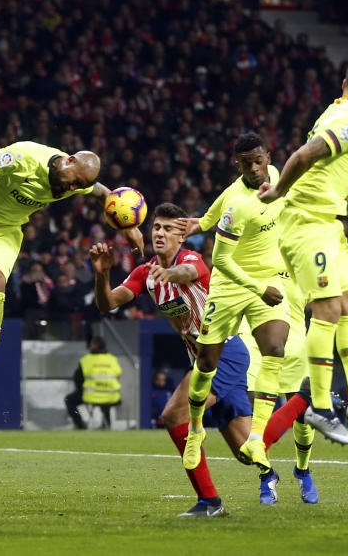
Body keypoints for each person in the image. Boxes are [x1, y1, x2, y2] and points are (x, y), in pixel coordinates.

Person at [0, 141, 143, 412]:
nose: (73, 189)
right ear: (69, 160)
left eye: (80, 186)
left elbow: (106, 194)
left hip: (7, 229)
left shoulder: (76, 180)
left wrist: (130, 227)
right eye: (74, 182)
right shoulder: (24, 157)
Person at [259, 58, 348, 438]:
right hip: (307, 223)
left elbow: (343, 176)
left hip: (329, 225)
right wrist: (278, 190)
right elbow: (305, 155)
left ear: (344, 84)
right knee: (327, 307)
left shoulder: (339, 113)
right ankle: (320, 407)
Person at [179, 133, 319, 503]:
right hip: (238, 286)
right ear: (237, 165)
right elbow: (221, 260)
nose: (256, 169)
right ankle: (202, 434)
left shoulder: (278, 176)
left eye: (260, 161)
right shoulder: (239, 206)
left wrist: (201, 222)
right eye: (247, 164)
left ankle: (296, 464)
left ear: (268, 158)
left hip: (277, 288)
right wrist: (258, 286)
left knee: (292, 380)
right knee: (210, 365)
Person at [91, 202, 254, 518]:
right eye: (156, 228)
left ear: (182, 235)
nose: (160, 234)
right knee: (249, 452)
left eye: (168, 228)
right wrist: (103, 275)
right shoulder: (144, 273)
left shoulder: (191, 259)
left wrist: (168, 273)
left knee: (174, 414)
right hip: (202, 359)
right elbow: (107, 303)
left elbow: (190, 273)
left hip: (225, 351)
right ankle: (301, 405)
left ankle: (210, 502)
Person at [64, 336, 122, 430]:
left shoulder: (86, 360)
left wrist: (82, 390)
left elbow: (78, 378)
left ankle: (80, 425)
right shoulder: (112, 359)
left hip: (91, 395)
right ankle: (107, 424)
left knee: (68, 400)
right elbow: (118, 375)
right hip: (112, 396)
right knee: (105, 402)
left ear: (95, 345)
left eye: (91, 344)